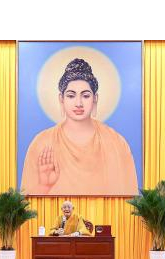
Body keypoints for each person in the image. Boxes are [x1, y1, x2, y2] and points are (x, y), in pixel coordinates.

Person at [21, 58, 138, 196]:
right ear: (61, 99)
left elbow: (130, 200)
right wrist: (43, 185)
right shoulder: (42, 143)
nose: (78, 103)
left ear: (95, 99)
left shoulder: (116, 143)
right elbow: (24, 204)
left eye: (85, 96)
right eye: (71, 96)